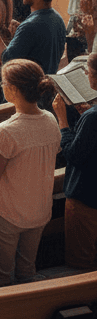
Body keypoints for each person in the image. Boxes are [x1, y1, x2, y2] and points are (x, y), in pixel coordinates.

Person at [0, 59, 61, 287]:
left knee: (2, 276)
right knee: (27, 272)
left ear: (12, 89)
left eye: (3, 82)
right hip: (38, 210)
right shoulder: (51, 120)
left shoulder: (8, 130)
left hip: (7, 213)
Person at [53, 51, 97, 269]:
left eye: (88, 72)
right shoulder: (91, 116)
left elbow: (73, 155)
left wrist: (63, 121)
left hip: (86, 197)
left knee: (81, 262)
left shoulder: (92, 118)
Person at [0, 0, 66, 82]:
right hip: (46, 87)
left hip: (28, 92)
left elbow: (7, 59)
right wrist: (17, 36)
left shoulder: (29, 26)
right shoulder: (58, 19)